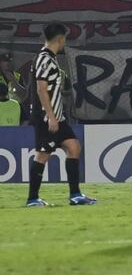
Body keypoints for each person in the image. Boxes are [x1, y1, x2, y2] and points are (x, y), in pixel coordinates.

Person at [26, 23, 96, 207]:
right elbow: (41, 90)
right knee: (43, 155)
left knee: (73, 147)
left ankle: (75, 195)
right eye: (64, 38)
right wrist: (50, 116)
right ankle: (32, 198)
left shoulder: (50, 58)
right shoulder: (44, 59)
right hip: (47, 117)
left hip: (58, 117)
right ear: (60, 39)